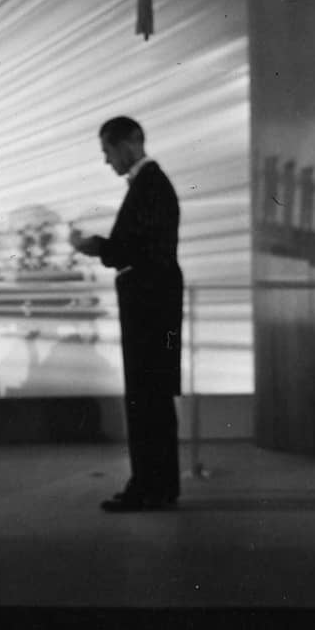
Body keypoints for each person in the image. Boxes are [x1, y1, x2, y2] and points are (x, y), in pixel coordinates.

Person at [71, 116, 184, 512]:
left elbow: (131, 248)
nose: (107, 161)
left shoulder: (149, 186)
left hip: (148, 306)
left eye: (108, 151)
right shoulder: (152, 184)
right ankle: (158, 485)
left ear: (127, 145)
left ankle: (147, 486)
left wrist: (95, 247)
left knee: (145, 397)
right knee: (153, 398)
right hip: (154, 303)